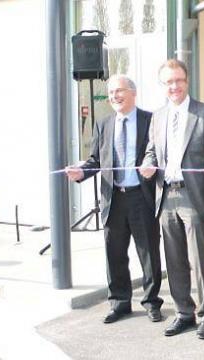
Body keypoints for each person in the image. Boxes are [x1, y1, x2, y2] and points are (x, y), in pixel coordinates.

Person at [65, 75, 163, 324]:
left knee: (149, 253)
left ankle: (152, 302)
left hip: (142, 197)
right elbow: (96, 160)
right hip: (113, 198)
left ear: (133, 92)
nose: (114, 97)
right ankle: (119, 302)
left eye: (119, 91)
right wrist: (80, 174)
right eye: (110, 93)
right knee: (114, 253)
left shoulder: (150, 120)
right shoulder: (104, 124)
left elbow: (160, 156)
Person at [139, 59, 204, 339]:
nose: (174, 86)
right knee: (174, 259)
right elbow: (152, 151)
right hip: (166, 195)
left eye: (178, 80)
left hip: (194, 196)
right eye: (168, 82)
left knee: (199, 259)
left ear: (187, 82)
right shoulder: (158, 116)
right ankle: (183, 312)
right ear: (163, 85)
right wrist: (148, 164)